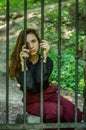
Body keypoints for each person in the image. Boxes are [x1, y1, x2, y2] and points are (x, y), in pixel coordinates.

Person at [9, 28, 83, 130]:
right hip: (32, 100)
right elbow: (30, 87)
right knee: (56, 112)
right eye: (27, 43)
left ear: (39, 42)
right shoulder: (18, 65)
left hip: (49, 94)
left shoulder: (47, 61)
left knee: (75, 115)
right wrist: (23, 64)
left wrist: (44, 56)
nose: (31, 46)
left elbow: (40, 80)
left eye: (33, 41)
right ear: (22, 47)